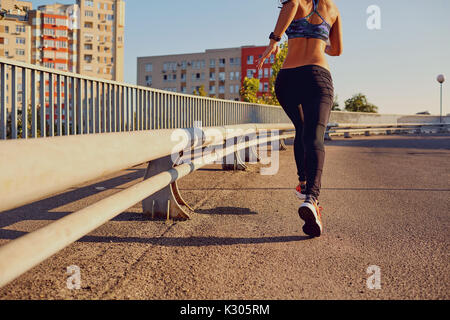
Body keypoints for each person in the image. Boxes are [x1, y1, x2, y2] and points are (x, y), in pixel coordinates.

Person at [256, 0, 343, 237]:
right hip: (317, 76)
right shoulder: (333, 9)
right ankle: (311, 198)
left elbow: (292, 3)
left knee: (302, 129)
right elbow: (337, 50)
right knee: (315, 136)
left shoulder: (297, 2)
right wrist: (317, 39)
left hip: (288, 79)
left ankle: (303, 184)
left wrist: (274, 41)